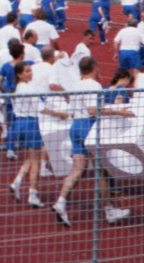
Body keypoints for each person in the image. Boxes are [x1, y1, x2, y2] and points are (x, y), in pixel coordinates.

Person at [47, 57, 133, 227]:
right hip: (88, 127)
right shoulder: (94, 86)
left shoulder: (76, 85)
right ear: (94, 67)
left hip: (76, 127)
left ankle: (61, 202)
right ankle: (109, 209)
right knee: (102, 170)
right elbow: (93, 109)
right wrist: (118, 112)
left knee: (78, 169)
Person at [7, 61, 49, 209]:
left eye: (30, 70)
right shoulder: (29, 88)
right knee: (36, 161)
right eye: (27, 71)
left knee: (31, 158)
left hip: (20, 123)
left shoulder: (18, 88)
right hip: (31, 123)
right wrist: (61, 113)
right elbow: (41, 108)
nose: (30, 73)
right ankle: (33, 194)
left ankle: (17, 182)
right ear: (19, 74)